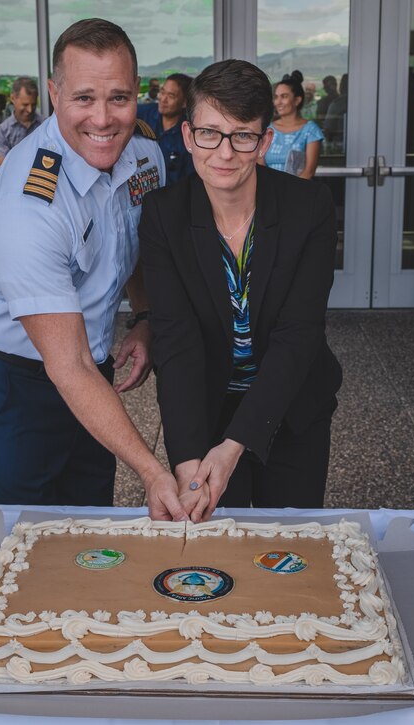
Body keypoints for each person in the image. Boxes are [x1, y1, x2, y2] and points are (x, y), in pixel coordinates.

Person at [0, 18, 185, 520]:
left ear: (136, 93)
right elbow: (67, 364)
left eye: (118, 98)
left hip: (90, 378)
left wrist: (144, 318)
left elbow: (133, 243)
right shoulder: (29, 205)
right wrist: (153, 471)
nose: (103, 119)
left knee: (87, 535)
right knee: (18, 544)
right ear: (54, 94)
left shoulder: (143, 155)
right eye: (83, 98)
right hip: (12, 388)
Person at [140, 59, 342, 521]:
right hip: (207, 407)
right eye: (210, 133)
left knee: (289, 544)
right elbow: (175, 339)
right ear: (189, 136)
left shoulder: (308, 207)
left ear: (264, 141)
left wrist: (235, 447)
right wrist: (190, 458)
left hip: (292, 405)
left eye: (242, 135)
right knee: (211, 554)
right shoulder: (163, 215)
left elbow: (299, 333)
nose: (224, 153)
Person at [262, 70, 323, 179]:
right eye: (276, 97)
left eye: (284, 96)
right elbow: (260, 165)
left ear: (297, 100)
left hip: (298, 192)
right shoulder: (268, 129)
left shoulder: (310, 130)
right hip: (269, 191)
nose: (278, 102)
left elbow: (308, 172)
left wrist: (289, 194)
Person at [136, 73, 194, 184]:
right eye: (162, 92)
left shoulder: (188, 136)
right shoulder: (143, 114)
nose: (163, 99)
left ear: (184, 103)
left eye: (171, 96)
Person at [0, 77, 41, 166]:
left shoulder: (46, 125)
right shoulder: (2, 131)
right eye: (25, 105)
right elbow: (3, 167)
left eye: (33, 105)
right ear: (13, 98)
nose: (30, 110)